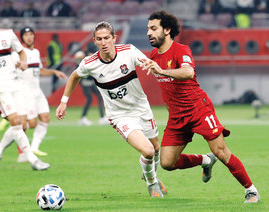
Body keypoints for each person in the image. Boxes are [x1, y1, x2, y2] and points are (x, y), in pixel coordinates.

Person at [140, 10, 260, 203]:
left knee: (221, 151)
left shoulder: (181, 50)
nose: (148, 33)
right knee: (167, 163)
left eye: (153, 28)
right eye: (148, 29)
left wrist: (162, 70)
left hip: (198, 109)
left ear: (167, 30)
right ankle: (205, 160)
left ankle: (251, 190)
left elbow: (187, 72)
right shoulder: (154, 55)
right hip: (177, 117)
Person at [56, 21, 167, 198]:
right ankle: (152, 183)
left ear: (114, 38)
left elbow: (144, 60)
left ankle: (149, 174)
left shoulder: (128, 51)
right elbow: (74, 76)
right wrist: (64, 101)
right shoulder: (90, 63)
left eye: (107, 38)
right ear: (94, 41)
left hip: (141, 107)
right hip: (119, 115)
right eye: (99, 39)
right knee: (147, 151)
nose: (103, 42)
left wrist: (149, 64)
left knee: (155, 148)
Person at [0, 3, 49, 171]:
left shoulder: (8, 35)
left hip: (16, 84)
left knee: (21, 125)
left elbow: (21, 52)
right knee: (15, 121)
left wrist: (24, 61)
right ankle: (33, 160)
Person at [16, 26, 67, 156]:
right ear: (22, 38)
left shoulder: (36, 52)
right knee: (31, 124)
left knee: (45, 118)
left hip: (37, 91)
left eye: (31, 34)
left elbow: (39, 70)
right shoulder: (19, 53)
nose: (29, 37)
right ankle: (13, 124)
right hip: (26, 92)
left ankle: (34, 148)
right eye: (26, 35)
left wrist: (53, 72)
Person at [74, 49, 108, 126]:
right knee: (89, 99)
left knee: (100, 96)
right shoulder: (84, 60)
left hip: (91, 82)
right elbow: (78, 56)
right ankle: (83, 118)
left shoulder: (92, 59)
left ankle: (102, 117)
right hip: (85, 82)